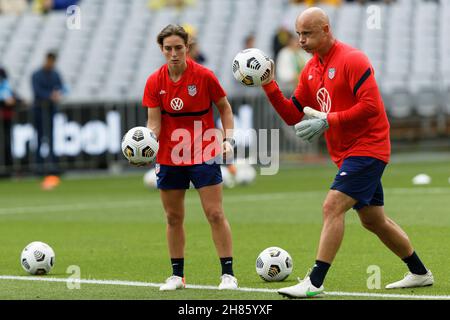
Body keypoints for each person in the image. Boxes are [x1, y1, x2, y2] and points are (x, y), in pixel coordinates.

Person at [259, 7, 433, 298]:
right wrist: (269, 85)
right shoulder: (311, 69)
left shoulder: (353, 59)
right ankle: (419, 272)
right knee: (373, 220)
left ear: (326, 30)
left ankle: (314, 282)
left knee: (332, 206)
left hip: (369, 146)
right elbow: (292, 115)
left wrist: (329, 119)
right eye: (299, 33)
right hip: (346, 152)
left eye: (307, 33)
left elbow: (371, 107)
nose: (300, 39)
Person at [142, 24, 238, 291]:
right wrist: (145, 147)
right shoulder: (154, 82)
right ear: (161, 49)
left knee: (215, 213)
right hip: (170, 156)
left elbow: (225, 109)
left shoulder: (204, 76)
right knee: (173, 217)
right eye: (168, 48)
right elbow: (154, 124)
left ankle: (228, 274)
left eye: (179, 48)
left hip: (204, 151)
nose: (174, 53)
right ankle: (177, 276)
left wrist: (227, 139)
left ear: (187, 48)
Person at [31, 52, 64, 188]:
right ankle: (39, 167)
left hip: (50, 111)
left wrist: (57, 94)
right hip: (39, 111)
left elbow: (61, 87)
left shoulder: (55, 74)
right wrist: (50, 96)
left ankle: (52, 166)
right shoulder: (36, 74)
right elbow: (37, 91)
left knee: (51, 138)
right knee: (39, 138)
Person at [0, 67, 16, 176]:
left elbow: (12, 94)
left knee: (7, 143)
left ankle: (8, 169)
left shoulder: (5, 84)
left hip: (6, 118)